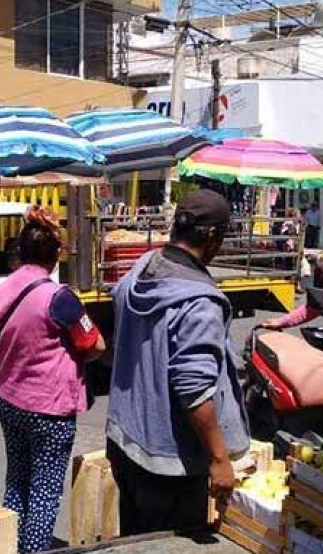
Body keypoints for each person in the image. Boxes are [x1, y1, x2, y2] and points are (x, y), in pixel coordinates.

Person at [107, 188, 250, 536]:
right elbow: (193, 387)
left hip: (125, 442)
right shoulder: (200, 301)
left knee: (137, 540)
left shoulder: (142, 269)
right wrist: (219, 458)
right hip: (169, 462)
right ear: (213, 237)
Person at [0, 207, 105, 553]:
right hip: (49, 410)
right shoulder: (59, 298)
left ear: (19, 253)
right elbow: (95, 344)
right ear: (55, 257)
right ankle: (33, 550)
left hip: (8, 401)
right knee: (45, 490)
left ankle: (11, 545)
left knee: (16, 481)